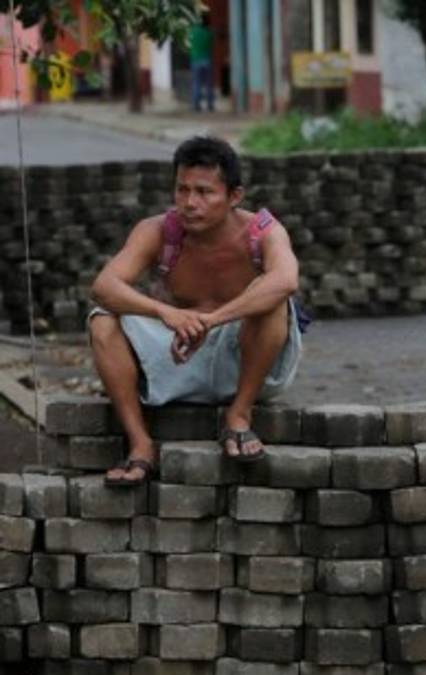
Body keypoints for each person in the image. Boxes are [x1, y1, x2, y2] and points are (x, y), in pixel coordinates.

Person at [89, 136, 304, 487]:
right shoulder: (157, 231)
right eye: (182, 190)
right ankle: (141, 444)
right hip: (178, 358)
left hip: (245, 362)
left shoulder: (263, 231)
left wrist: (210, 320)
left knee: (272, 299)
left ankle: (239, 414)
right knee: (101, 321)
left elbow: (285, 280)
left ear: (234, 196)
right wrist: (165, 313)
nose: (190, 203)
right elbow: (104, 286)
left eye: (204, 192)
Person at [189, 15, 214, 112]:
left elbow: (189, 42)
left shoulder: (193, 32)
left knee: (196, 83)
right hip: (207, 60)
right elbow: (211, 44)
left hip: (195, 60)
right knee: (208, 84)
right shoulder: (209, 32)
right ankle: (210, 105)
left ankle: (196, 105)